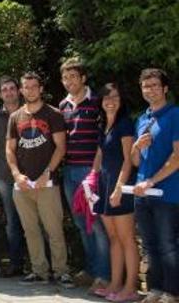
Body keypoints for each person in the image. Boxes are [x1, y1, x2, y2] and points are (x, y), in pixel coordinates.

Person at [6, 72, 73, 288]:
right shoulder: (15, 117)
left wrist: (48, 173)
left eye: (34, 86)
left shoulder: (52, 114)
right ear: (22, 90)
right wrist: (16, 174)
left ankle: (62, 271)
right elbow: (9, 149)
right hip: (22, 184)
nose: (30, 90)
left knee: (54, 230)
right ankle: (39, 271)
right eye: (26, 87)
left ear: (41, 88)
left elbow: (61, 147)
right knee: (30, 230)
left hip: (47, 183)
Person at [59, 58, 110, 290]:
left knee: (96, 223)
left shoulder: (98, 103)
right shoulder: (63, 106)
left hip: (90, 172)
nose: (69, 81)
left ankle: (104, 274)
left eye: (73, 76)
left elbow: (103, 140)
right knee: (81, 223)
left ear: (83, 78)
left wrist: (95, 172)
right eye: (65, 77)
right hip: (69, 170)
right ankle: (90, 270)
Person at [131, 68, 179, 303]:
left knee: (168, 244)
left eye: (154, 85)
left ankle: (172, 292)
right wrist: (136, 147)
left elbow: (177, 158)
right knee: (149, 245)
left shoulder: (175, 115)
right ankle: (156, 289)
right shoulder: (142, 119)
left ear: (165, 88)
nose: (150, 90)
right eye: (145, 86)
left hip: (167, 193)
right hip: (142, 194)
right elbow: (134, 161)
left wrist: (152, 180)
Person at [91, 83, 139, 301]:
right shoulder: (103, 124)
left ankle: (130, 288)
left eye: (115, 97)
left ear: (122, 101)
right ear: (101, 101)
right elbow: (99, 155)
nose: (110, 101)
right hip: (104, 186)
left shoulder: (125, 124)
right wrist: (91, 179)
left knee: (126, 239)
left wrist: (119, 188)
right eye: (106, 98)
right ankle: (115, 283)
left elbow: (128, 161)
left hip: (121, 187)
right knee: (113, 238)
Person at [0, 76, 26, 278]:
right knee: (12, 221)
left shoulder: (30, 112)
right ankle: (16, 263)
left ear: (18, 91)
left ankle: (43, 265)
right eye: (5, 90)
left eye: (12, 88)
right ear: (0, 94)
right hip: (6, 176)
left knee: (35, 220)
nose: (9, 92)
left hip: (32, 175)